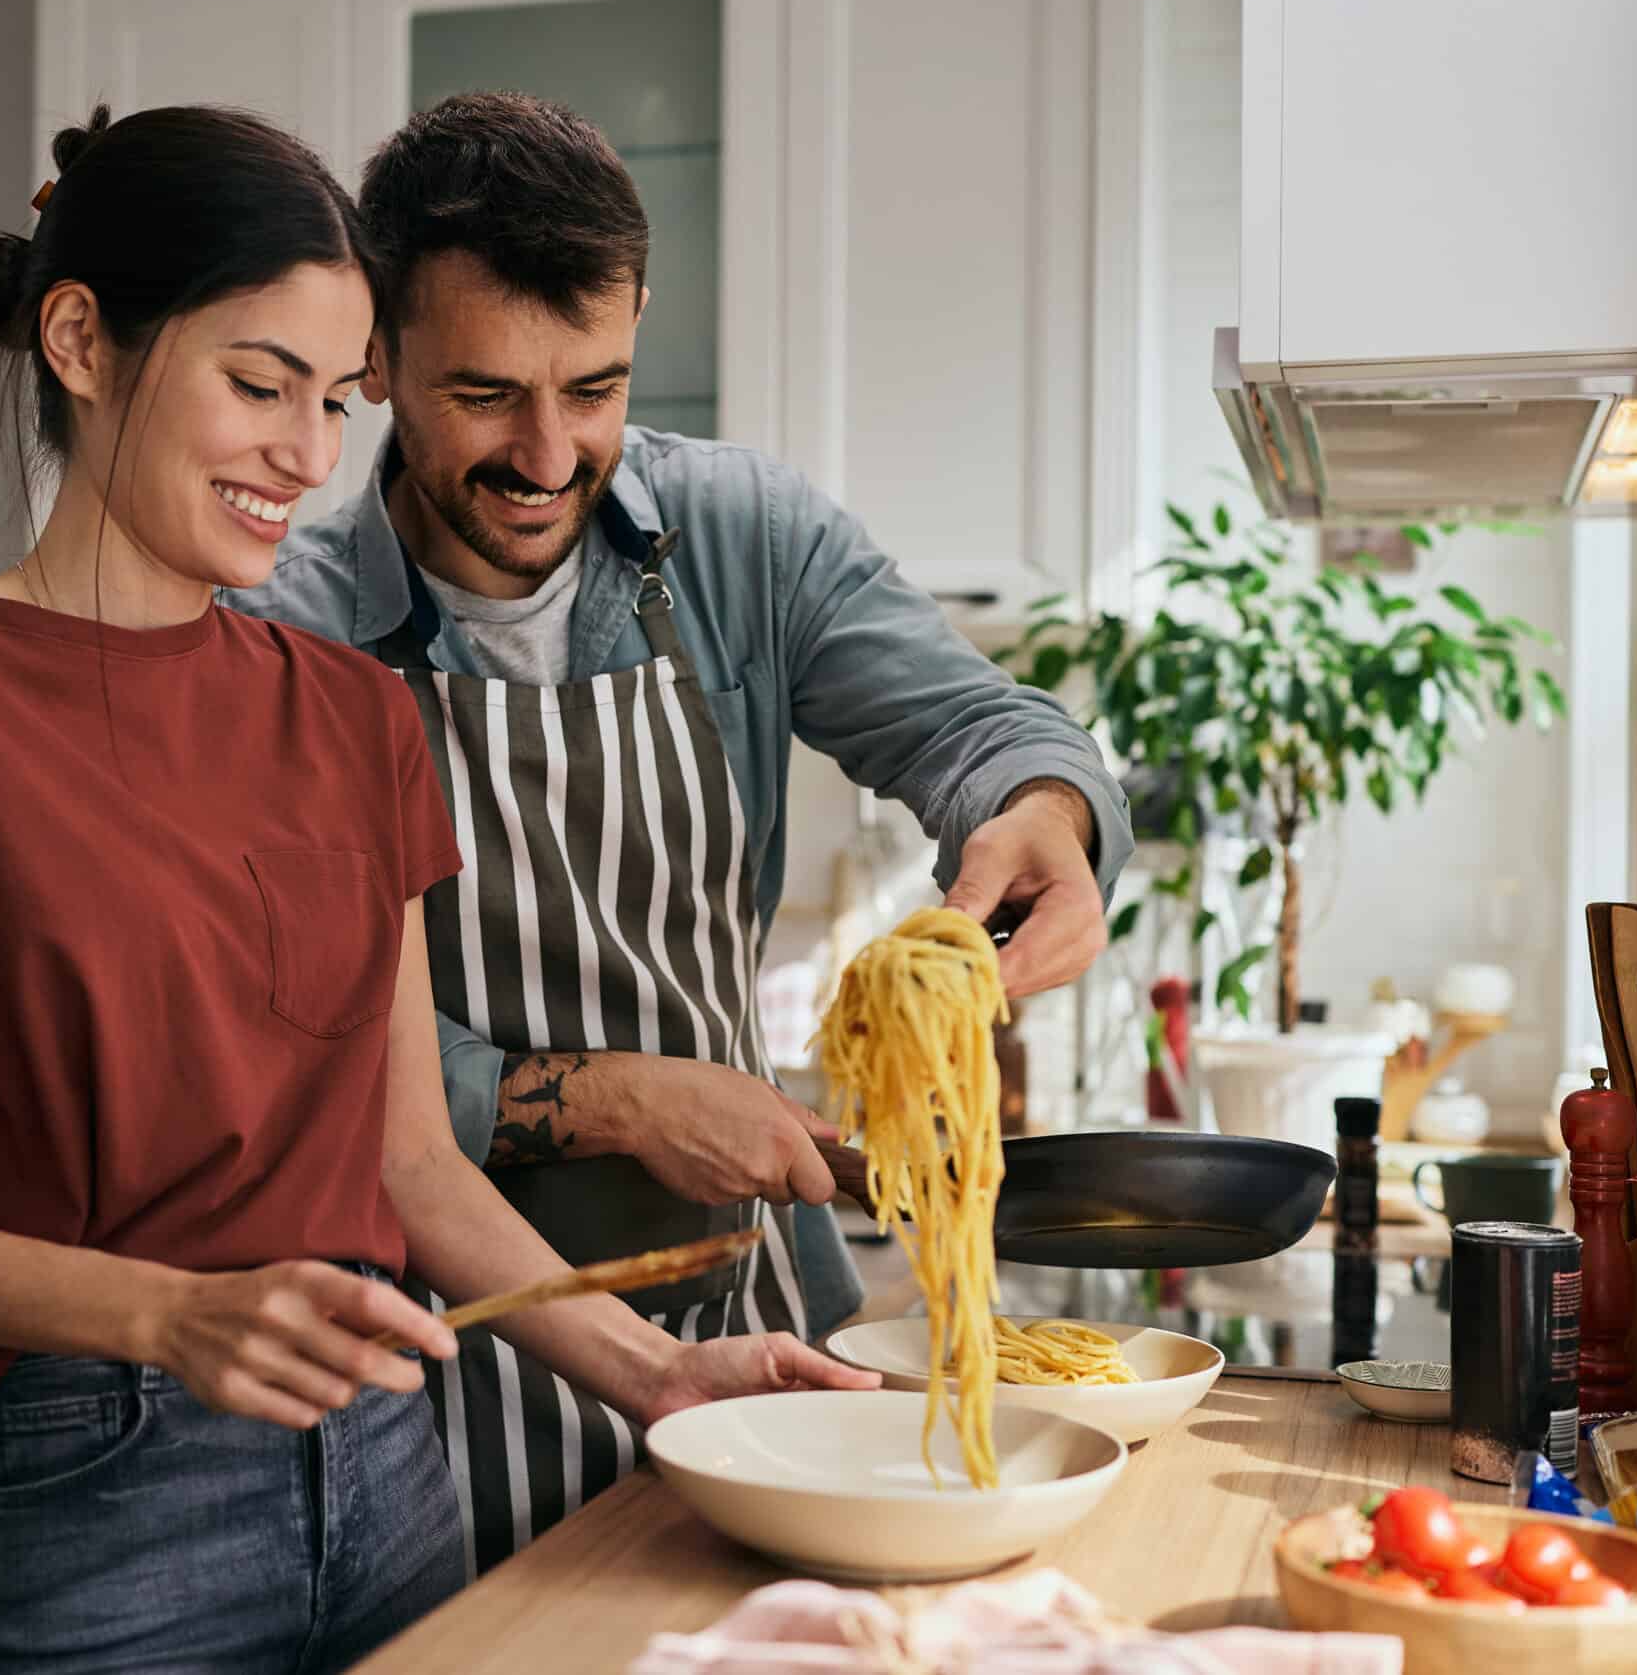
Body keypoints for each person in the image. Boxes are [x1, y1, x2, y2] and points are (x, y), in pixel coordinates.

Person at [0, 104, 874, 1675]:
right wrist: (161, 1318)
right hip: (86, 1496)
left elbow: (405, 1165)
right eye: (259, 386)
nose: (310, 457)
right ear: (80, 340)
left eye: (335, 400)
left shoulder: (344, 713)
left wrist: (649, 1374)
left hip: (391, 1472)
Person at [225, 91, 1131, 1577]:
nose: (546, 452)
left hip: (745, 1322)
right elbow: (285, 1061)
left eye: (594, 389)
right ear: (373, 355)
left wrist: (1046, 816)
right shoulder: (285, 622)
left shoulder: (738, 535)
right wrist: (611, 1100)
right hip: (427, 1366)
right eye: (484, 395)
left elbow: (983, 730)